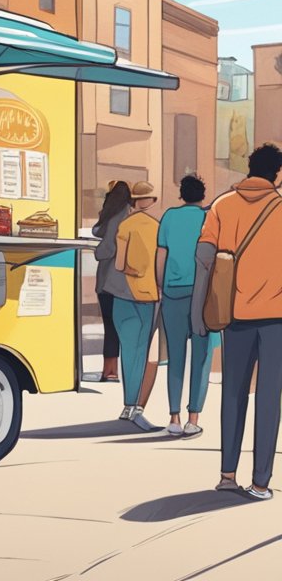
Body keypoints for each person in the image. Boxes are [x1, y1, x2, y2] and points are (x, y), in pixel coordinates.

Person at [194, 144, 282, 500]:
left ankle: (227, 474)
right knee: (269, 397)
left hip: (234, 314)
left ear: (250, 169)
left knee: (233, 392)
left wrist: (198, 311)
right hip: (276, 318)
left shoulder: (221, 206)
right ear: (276, 173)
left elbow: (204, 258)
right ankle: (260, 482)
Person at [157, 174, 214, 439]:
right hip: (203, 295)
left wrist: (161, 285)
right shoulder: (209, 218)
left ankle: (174, 417)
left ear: (182, 194)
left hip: (173, 293)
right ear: (202, 196)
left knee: (175, 356)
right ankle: (194, 419)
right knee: (201, 357)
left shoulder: (168, 217)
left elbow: (161, 256)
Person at [113, 181, 161, 431]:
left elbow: (120, 265)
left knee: (127, 352)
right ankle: (134, 407)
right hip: (148, 297)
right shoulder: (156, 227)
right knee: (141, 353)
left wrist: (133, 271)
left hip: (123, 297)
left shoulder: (125, 226)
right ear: (148, 201)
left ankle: (126, 405)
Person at [93, 181, 132, 382]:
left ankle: (110, 371)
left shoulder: (115, 215)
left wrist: (96, 251)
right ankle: (117, 371)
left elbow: (105, 246)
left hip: (108, 282)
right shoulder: (130, 214)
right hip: (124, 283)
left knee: (110, 327)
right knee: (121, 327)